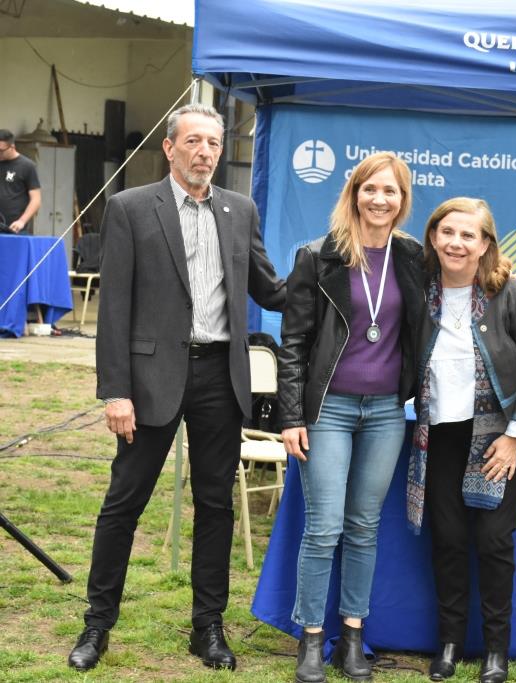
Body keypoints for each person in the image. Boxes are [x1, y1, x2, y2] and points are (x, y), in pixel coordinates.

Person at [67, 104, 287, 672]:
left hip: (221, 376)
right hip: (150, 380)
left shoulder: (241, 210)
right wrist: (115, 391)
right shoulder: (131, 208)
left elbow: (270, 287)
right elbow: (113, 308)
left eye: (214, 143)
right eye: (193, 141)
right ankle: (97, 626)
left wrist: (335, 268)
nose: (205, 152)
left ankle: (207, 629)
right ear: (170, 148)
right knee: (124, 504)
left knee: (215, 505)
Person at [277, 152, 425, 683]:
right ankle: (311, 639)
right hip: (329, 411)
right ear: (354, 193)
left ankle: (353, 638)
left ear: (402, 200)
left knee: (364, 527)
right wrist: (291, 415)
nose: (380, 199)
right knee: (324, 528)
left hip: (386, 411)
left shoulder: (412, 257)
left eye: (391, 191)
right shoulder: (318, 256)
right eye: (371, 189)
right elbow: (292, 343)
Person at [408, 197, 516, 683]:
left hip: (499, 436)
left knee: (493, 541)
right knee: (447, 539)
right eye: (447, 232)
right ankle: (449, 643)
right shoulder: (419, 292)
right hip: (439, 436)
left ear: (486, 243)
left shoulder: (512, 294)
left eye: (469, 235)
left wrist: (515, 436)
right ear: (433, 236)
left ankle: (496, 650)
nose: (456, 242)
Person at [0, 129, 42, 234]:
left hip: (15, 229)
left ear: (12, 147)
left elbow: (36, 200)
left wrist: (22, 221)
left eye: (1, 150)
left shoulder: (27, 166)